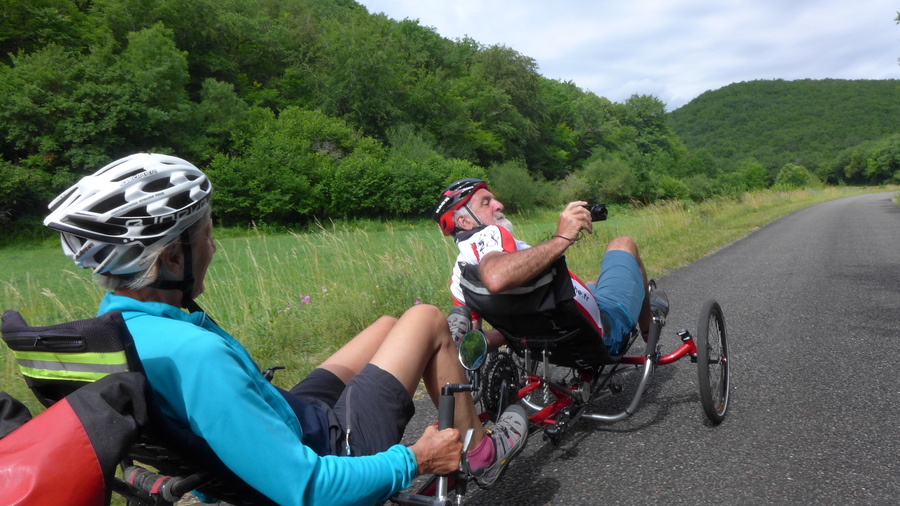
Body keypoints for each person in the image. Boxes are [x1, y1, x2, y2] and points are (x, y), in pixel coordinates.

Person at [42, 154, 528, 505]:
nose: (215, 247)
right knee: (426, 319)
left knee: (387, 325)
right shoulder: (195, 356)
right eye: (208, 234)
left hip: (287, 415)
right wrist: (416, 460)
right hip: (328, 447)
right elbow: (308, 490)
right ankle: (479, 450)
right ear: (171, 258)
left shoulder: (121, 330)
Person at [434, 179, 668, 355]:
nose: (499, 204)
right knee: (623, 244)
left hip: (543, 341)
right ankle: (649, 328)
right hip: (599, 334)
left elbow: (477, 335)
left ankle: (600, 295)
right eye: (487, 202)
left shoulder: (460, 279)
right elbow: (496, 277)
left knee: (591, 285)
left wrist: (506, 337)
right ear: (464, 222)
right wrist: (561, 237)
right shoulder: (494, 234)